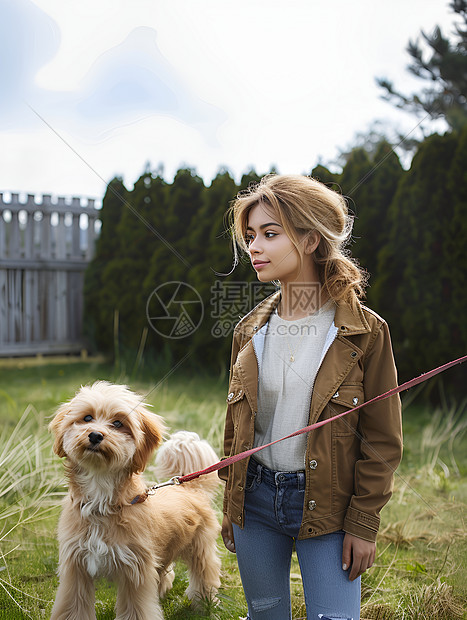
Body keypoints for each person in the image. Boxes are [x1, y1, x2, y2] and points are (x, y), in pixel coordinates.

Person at [219, 174, 403, 620]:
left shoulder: (365, 332)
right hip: (256, 502)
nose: (254, 248)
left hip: (330, 508)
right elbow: (235, 426)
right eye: (250, 236)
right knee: (265, 616)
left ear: (311, 240)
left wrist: (364, 523)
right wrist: (232, 503)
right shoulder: (249, 331)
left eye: (269, 233)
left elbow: (382, 441)